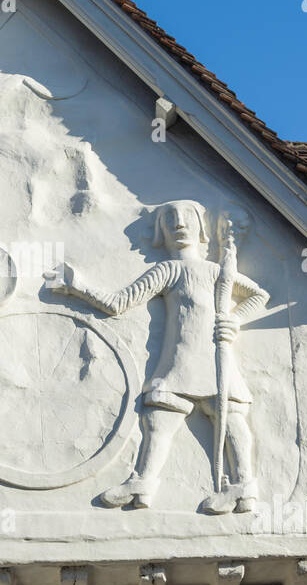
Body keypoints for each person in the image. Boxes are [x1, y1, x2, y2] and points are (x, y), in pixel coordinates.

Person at [44, 200, 268, 511]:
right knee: (159, 420)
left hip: (215, 355)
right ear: (161, 231)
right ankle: (143, 484)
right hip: (182, 360)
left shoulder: (216, 271)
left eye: (187, 217)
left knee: (229, 418)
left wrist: (235, 320)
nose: (179, 224)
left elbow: (259, 295)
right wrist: (78, 286)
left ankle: (243, 487)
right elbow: (120, 302)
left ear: (201, 227)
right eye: (170, 219)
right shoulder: (169, 270)